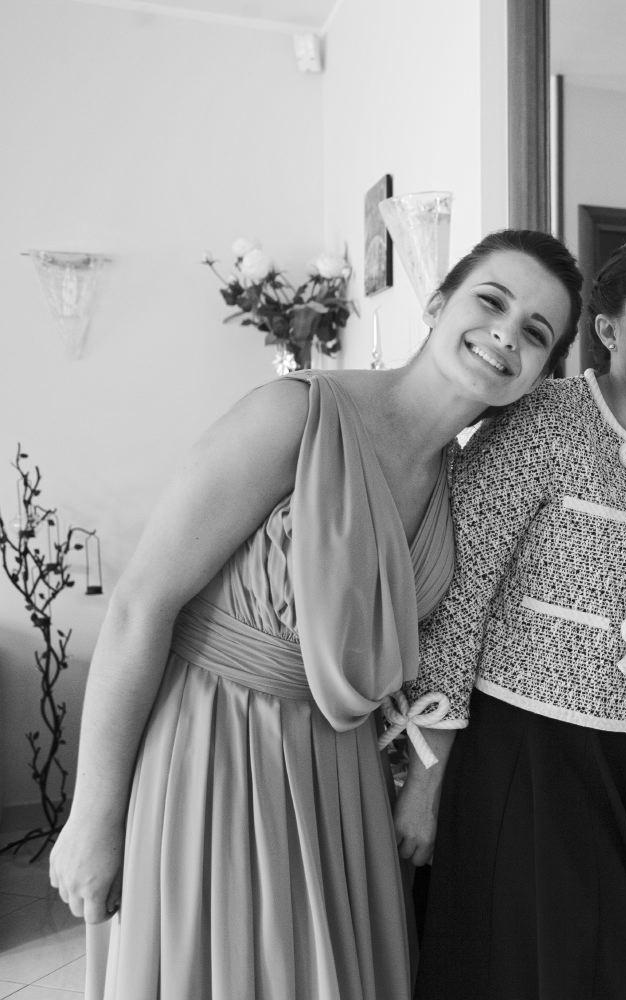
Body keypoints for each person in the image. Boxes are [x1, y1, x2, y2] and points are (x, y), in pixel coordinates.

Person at [46, 229, 585, 999]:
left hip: (339, 779)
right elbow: (141, 604)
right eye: (490, 301)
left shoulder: (463, 486)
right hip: (213, 751)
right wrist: (93, 815)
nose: (506, 334)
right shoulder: (295, 415)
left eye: (535, 332)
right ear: (438, 304)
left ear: (540, 373)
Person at [392, 230, 626, 1000]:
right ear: (608, 330)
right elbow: (461, 601)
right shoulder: (539, 422)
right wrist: (427, 777)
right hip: (527, 762)